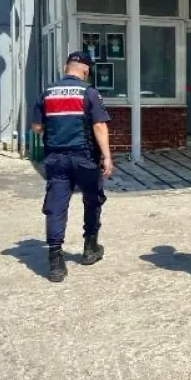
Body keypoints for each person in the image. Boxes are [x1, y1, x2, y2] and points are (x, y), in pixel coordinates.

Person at [31, 51, 113, 283]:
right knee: (92, 199)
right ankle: (90, 248)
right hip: (85, 158)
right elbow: (99, 126)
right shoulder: (89, 92)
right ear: (85, 70)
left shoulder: (47, 93)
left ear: (65, 67)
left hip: (56, 158)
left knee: (56, 206)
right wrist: (107, 157)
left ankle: (55, 261)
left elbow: (36, 127)